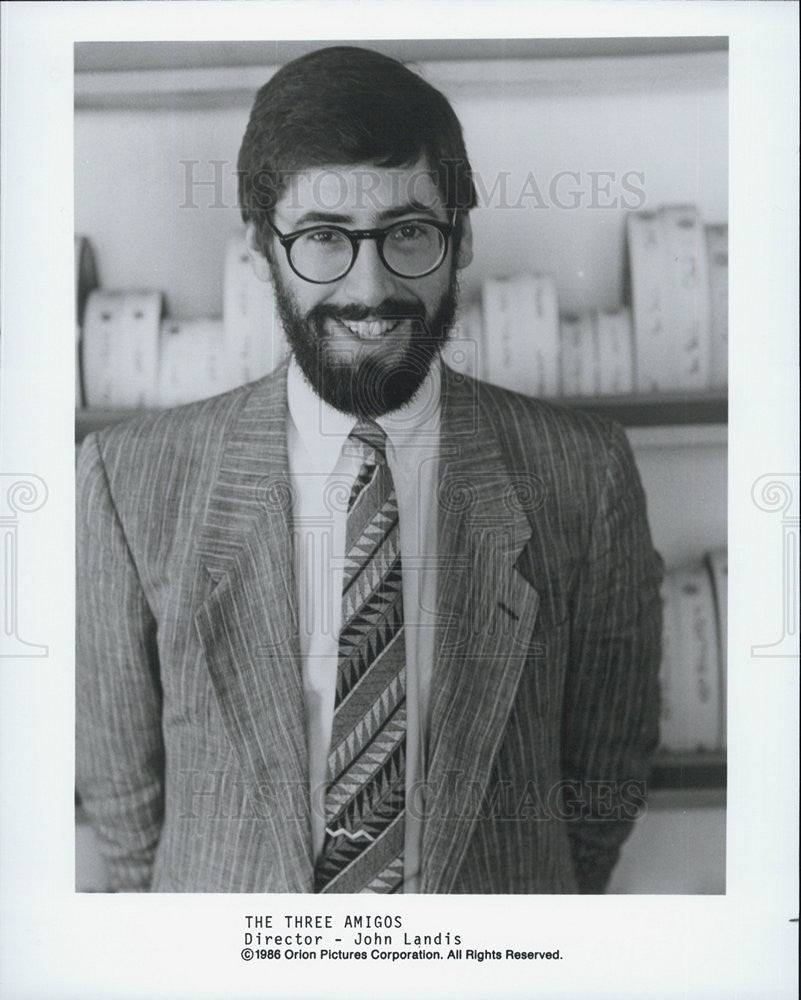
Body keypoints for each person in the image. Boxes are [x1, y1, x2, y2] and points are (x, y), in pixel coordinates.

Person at [76, 45, 663, 894]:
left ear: (460, 240)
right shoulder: (128, 480)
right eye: (322, 238)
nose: (369, 285)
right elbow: (121, 790)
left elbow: (603, 772)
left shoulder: (585, 473)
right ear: (259, 247)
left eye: (408, 233)